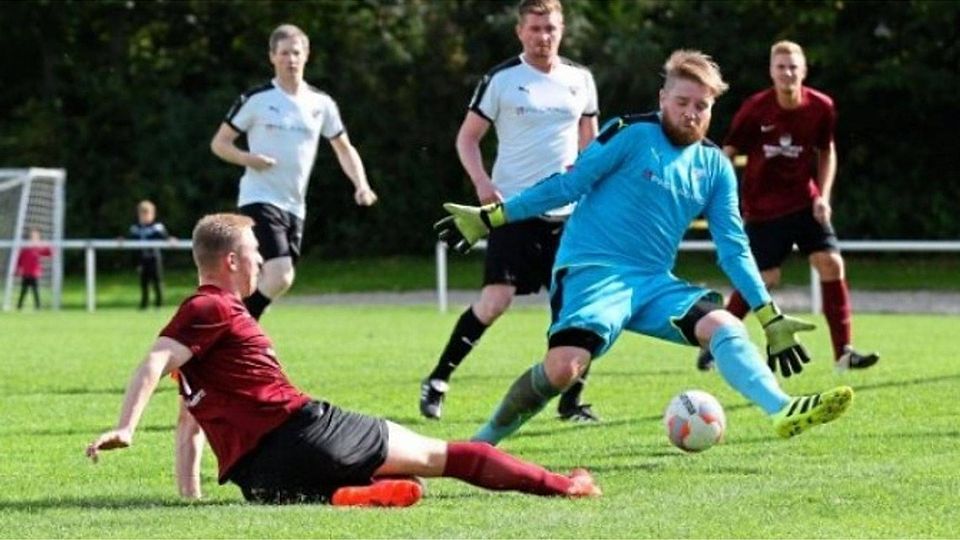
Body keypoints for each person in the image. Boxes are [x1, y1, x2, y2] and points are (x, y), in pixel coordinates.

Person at [435, 50, 855, 446]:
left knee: (726, 325)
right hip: (592, 273)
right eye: (682, 102)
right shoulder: (629, 133)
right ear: (663, 98)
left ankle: (782, 409)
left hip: (653, 283)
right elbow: (568, 185)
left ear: (712, 109)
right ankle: (481, 443)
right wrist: (492, 217)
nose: (691, 113)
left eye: (701, 106)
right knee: (563, 369)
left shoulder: (715, 168)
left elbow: (734, 249)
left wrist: (768, 314)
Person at [86, 213, 600, 507]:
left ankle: (349, 494)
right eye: (256, 255)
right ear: (232, 262)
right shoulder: (209, 306)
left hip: (261, 482)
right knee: (450, 455)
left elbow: (188, 422)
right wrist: (125, 427)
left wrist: (189, 501)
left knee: (402, 482)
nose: (263, 263)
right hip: (303, 434)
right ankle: (565, 485)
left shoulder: (207, 340)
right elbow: (154, 360)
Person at [419, 0, 601, 423]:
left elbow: (590, 144)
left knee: (577, 307)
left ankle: (572, 401)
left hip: (570, 215)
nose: (544, 36)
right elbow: (467, 139)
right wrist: (483, 183)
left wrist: (595, 192)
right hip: (514, 210)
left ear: (562, 30)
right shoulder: (502, 80)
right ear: (520, 31)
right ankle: (439, 380)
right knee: (495, 301)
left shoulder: (580, 80)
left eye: (551, 28)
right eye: (535, 28)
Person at [695, 41, 879, 374]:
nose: (787, 72)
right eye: (781, 66)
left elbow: (827, 151)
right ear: (772, 71)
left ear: (804, 71)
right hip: (763, 206)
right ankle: (717, 342)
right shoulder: (755, 108)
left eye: (793, 66)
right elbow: (728, 152)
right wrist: (716, 192)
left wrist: (823, 195)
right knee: (762, 278)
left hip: (804, 201)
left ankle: (844, 353)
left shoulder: (821, 107)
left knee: (831, 263)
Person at [210, 23, 378, 320]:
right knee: (280, 275)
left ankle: (229, 328)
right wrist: (249, 158)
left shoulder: (321, 104)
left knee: (271, 280)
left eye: (296, 53)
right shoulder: (257, 99)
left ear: (307, 55)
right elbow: (220, 144)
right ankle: (240, 329)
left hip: (295, 205)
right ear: (272, 57)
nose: (291, 59)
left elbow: (344, 147)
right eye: (284, 53)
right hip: (259, 197)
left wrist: (361, 185)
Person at [127, 200, 171, 310]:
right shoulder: (135, 229)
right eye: (143, 213)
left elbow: (165, 238)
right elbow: (129, 240)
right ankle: (144, 304)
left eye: (147, 213)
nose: (145, 216)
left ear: (153, 214)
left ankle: (159, 304)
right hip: (142, 259)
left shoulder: (157, 228)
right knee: (144, 283)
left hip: (154, 258)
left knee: (157, 281)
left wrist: (171, 240)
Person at [15, 228, 52, 310]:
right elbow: (20, 259)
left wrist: (48, 246)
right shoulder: (25, 247)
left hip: (34, 273)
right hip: (25, 272)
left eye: (35, 236)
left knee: (35, 290)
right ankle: (19, 306)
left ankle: (37, 306)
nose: (34, 237)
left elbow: (49, 253)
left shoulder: (39, 247)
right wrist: (18, 269)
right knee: (23, 290)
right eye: (32, 235)